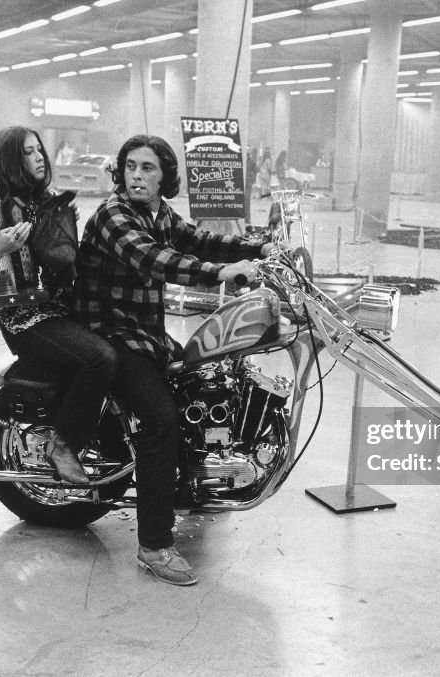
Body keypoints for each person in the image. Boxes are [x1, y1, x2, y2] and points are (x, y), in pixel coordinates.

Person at [74, 134, 281, 586]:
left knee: (206, 381)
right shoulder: (113, 215)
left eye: (148, 168)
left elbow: (198, 239)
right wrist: (221, 273)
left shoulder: (159, 213)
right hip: (111, 332)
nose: (136, 175)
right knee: (161, 420)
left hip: (144, 332)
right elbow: (157, 260)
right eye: (131, 166)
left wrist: (258, 248)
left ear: (165, 177)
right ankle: (153, 545)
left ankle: (193, 484)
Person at [0, 126, 116, 483]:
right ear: (10, 162)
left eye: (39, 150)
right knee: (100, 358)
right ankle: (62, 445)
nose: (38, 158)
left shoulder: (47, 202)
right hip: (28, 319)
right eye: (28, 153)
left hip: (63, 309)